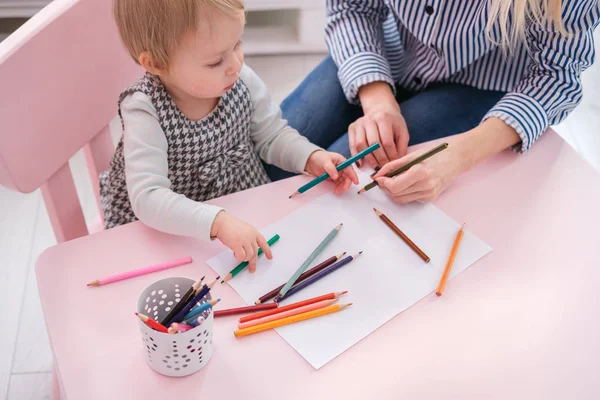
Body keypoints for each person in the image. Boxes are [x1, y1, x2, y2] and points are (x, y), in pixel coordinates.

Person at [100, 0, 358, 271]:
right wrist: (218, 222)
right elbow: (149, 197)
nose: (235, 64)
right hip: (171, 231)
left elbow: (271, 136)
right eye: (215, 61)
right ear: (155, 63)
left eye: (237, 44)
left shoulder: (240, 79)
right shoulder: (144, 108)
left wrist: (310, 157)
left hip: (240, 208)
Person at [267, 0, 599, 204]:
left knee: (343, 183)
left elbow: (557, 76)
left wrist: (457, 156)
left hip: (479, 84)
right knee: (276, 161)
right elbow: (352, 7)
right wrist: (376, 97)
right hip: (385, 49)